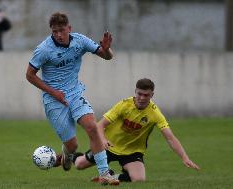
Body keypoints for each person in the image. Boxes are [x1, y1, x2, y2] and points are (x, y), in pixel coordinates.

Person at [26, 12, 119, 185]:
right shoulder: (44, 49)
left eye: (61, 30)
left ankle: (104, 173)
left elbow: (107, 57)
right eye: (55, 31)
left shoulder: (80, 41)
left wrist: (107, 50)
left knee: (92, 127)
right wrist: (53, 92)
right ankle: (66, 157)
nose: (58, 35)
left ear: (70, 28)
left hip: (75, 93)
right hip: (53, 100)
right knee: (73, 145)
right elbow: (30, 75)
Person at [72, 78, 200, 182]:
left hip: (132, 152)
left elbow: (170, 137)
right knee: (79, 164)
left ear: (152, 95)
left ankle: (111, 176)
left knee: (139, 180)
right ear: (135, 92)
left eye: (146, 95)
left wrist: (184, 157)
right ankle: (70, 155)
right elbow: (99, 125)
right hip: (108, 146)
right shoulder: (124, 105)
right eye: (140, 94)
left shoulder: (155, 113)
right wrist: (103, 139)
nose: (142, 98)